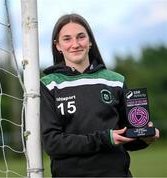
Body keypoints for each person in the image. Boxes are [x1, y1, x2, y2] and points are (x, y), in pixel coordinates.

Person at [40, 13, 159, 177]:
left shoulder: (115, 81)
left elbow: (124, 135)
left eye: (81, 37)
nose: (75, 44)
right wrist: (104, 139)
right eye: (67, 39)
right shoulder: (49, 85)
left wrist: (144, 138)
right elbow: (52, 143)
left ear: (90, 41)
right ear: (58, 45)